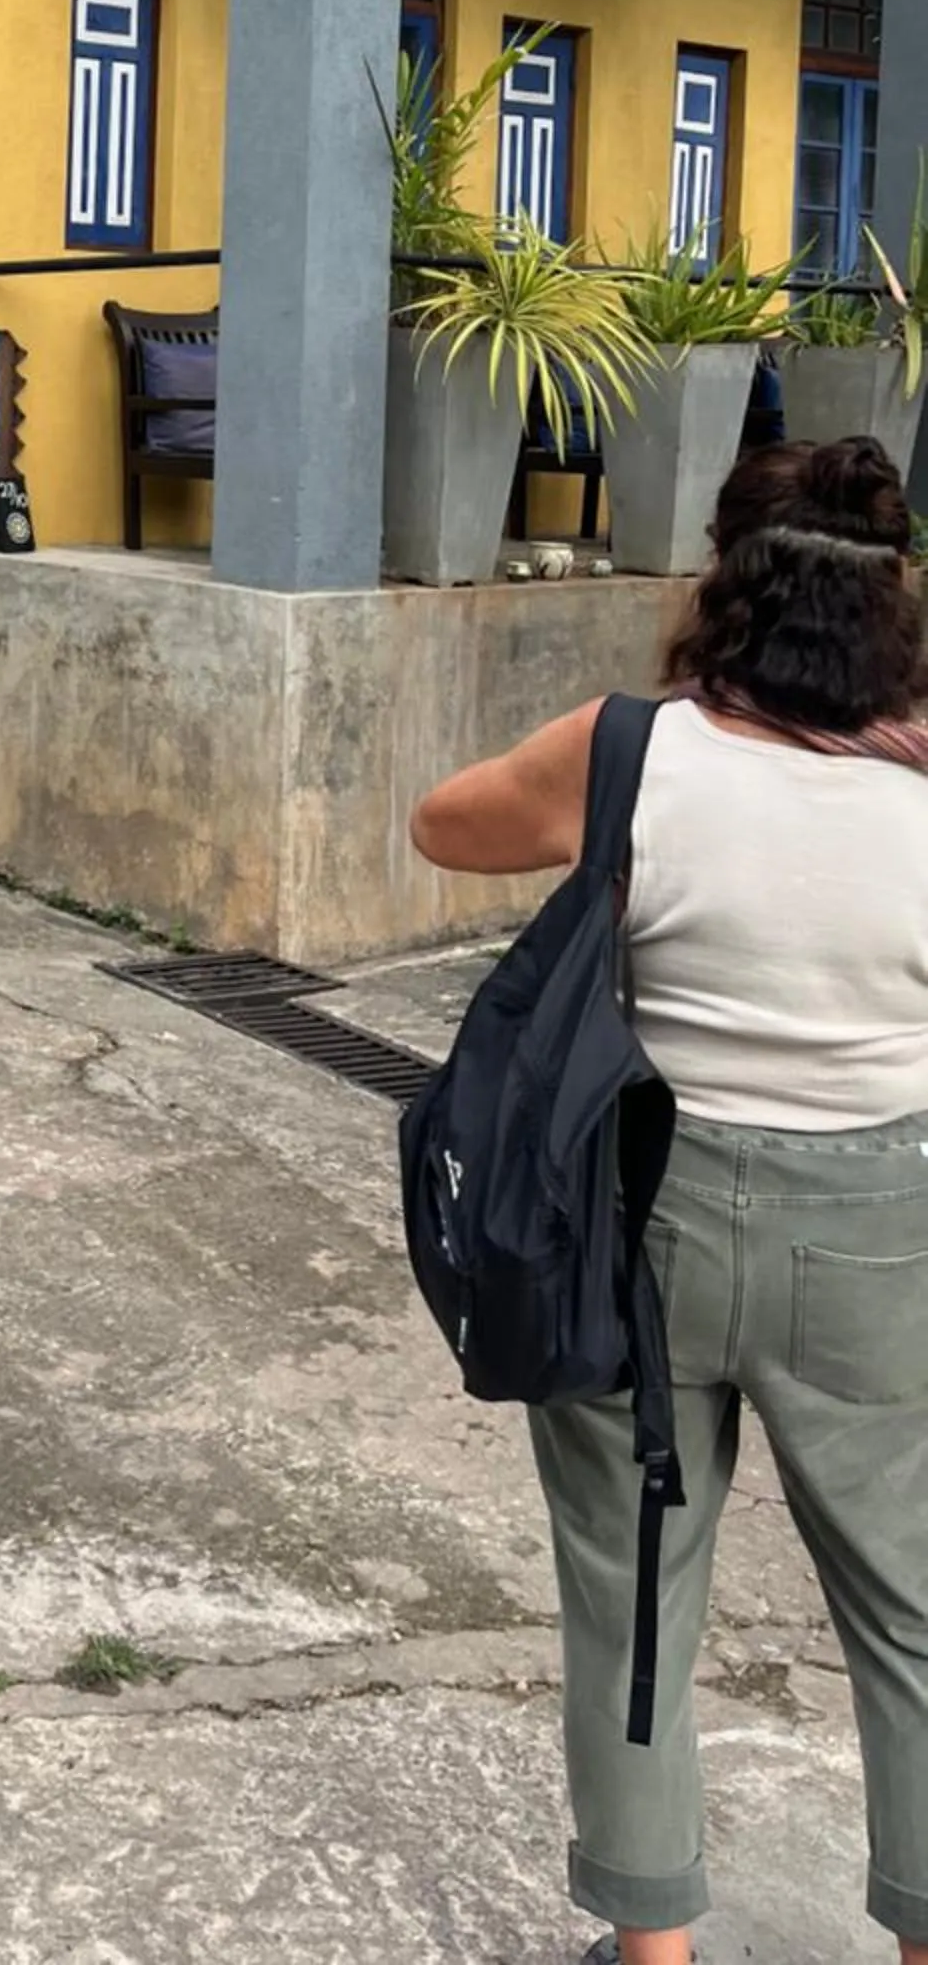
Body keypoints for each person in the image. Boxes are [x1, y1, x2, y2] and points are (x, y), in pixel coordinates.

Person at [411, 435, 928, 1965]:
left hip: (643, 1209)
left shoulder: (627, 750)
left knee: (632, 1594)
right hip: (878, 1224)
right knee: (907, 1612)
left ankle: (652, 1952)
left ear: (722, 581)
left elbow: (445, 825)